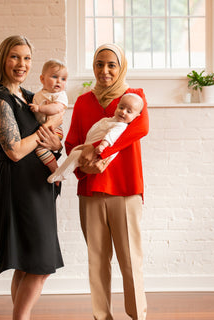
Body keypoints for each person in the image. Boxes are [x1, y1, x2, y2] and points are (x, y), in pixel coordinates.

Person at [0, 35, 64, 320]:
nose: (21, 64)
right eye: (15, 57)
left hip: (39, 187)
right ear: (3, 59)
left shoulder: (28, 97)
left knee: (27, 265)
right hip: (21, 188)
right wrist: (45, 132)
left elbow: (51, 140)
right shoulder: (0, 100)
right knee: (40, 265)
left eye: (26, 58)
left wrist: (55, 144)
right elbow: (14, 150)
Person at [65, 43, 149, 320]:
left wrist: (100, 149)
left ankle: (138, 316)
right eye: (100, 64)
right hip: (90, 190)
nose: (105, 70)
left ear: (121, 67)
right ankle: (102, 317)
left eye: (112, 64)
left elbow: (140, 128)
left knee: (130, 261)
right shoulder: (82, 101)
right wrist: (83, 168)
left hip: (125, 189)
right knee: (97, 262)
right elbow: (72, 142)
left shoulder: (134, 97)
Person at [48, 93, 143, 183]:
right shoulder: (109, 120)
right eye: (121, 107)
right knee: (74, 153)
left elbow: (111, 136)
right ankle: (61, 170)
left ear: (136, 116)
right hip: (89, 146)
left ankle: (62, 174)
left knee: (75, 155)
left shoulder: (121, 126)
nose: (123, 112)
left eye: (129, 111)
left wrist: (102, 145)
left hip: (99, 152)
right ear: (117, 106)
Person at [30, 59, 68, 174]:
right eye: (54, 77)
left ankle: (55, 170)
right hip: (45, 128)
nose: (59, 81)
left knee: (40, 149)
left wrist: (39, 108)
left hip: (55, 130)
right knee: (39, 149)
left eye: (63, 79)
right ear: (42, 79)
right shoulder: (39, 94)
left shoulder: (60, 95)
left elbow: (56, 108)